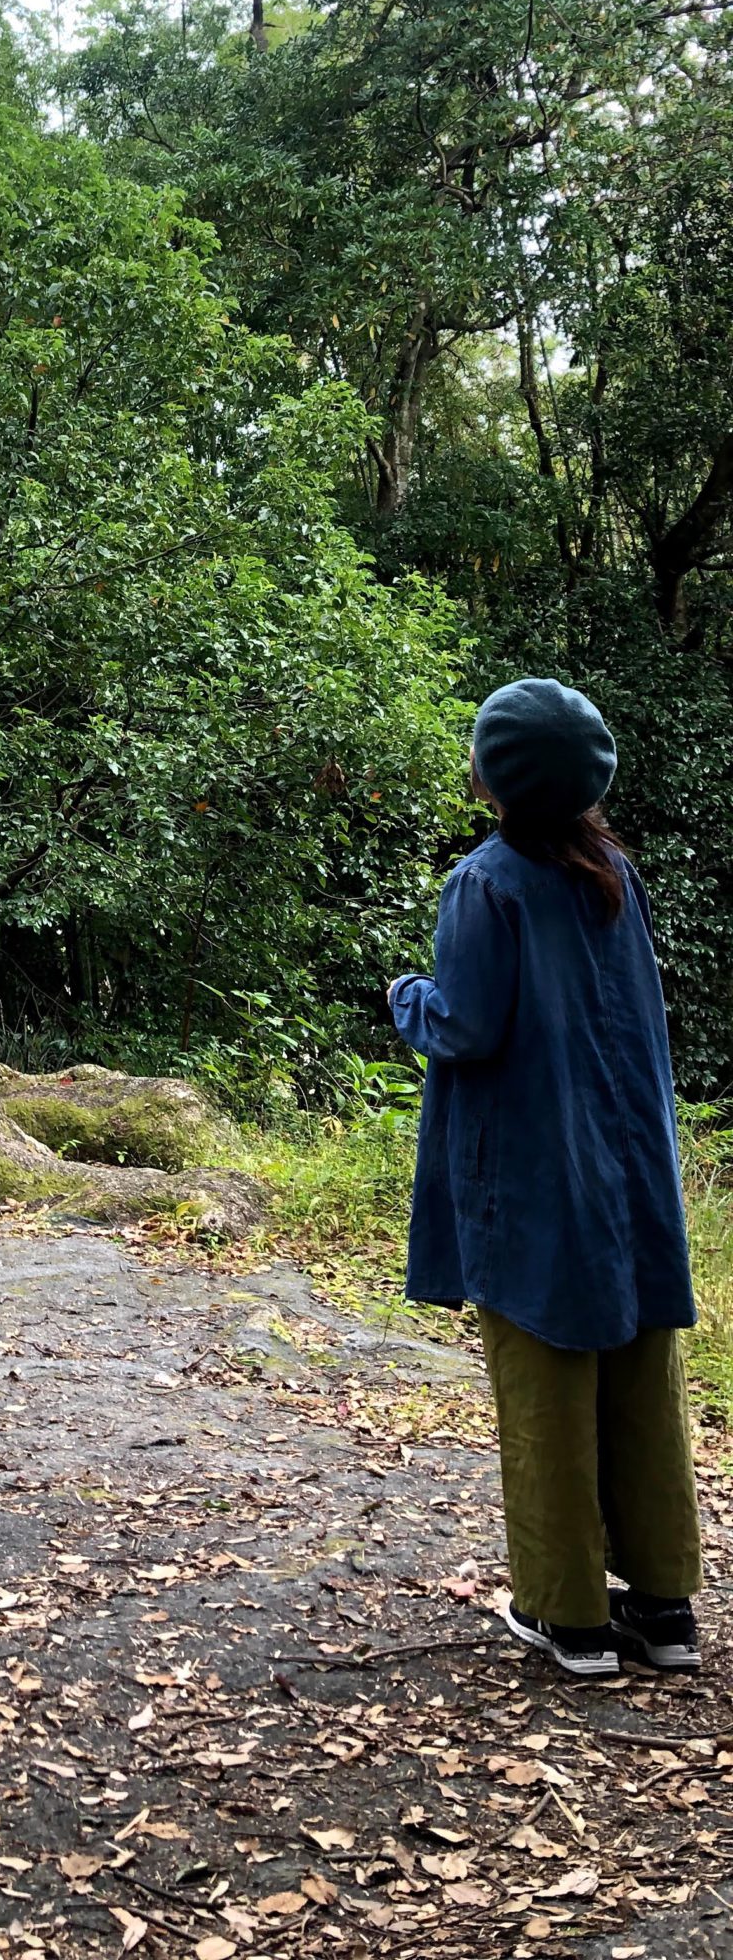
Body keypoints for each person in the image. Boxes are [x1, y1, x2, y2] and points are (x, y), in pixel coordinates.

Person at [388, 676, 702, 1680]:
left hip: (533, 1173)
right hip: (634, 1169)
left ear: (499, 777)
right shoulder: (610, 867)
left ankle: (568, 1619)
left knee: (547, 1381)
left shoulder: (487, 883)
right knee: (642, 1380)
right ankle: (664, 1610)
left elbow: (468, 1024)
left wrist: (406, 997)